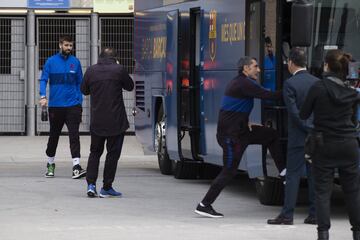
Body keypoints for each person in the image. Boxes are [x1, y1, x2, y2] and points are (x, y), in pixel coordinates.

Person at [195, 56, 286, 218]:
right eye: (255, 67)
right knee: (229, 171)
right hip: (231, 137)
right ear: (245, 69)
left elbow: (235, 108)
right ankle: (204, 204)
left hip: (241, 132)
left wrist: (246, 121)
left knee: (271, 135)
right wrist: (292, 89)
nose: (259, 70)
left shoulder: (242, 83)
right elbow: (269, 96)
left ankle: (284, 172)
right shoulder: (243, 83)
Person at [299, 50, 360, 240]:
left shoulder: (318, 87)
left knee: (322, 192)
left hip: (324, 144)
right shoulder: (352, 92)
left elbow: (303, 114)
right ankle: (357, 232)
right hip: (349, 145)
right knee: (353, 191)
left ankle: (323, 234)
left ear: (327, 65)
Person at [268, 47, 318, 225]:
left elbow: (294, 112)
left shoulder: (290, 84)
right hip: (315, 136)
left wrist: (305, 126)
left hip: (298, 137)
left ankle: (287, 215)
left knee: (293, 175)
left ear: (290, 62)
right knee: (314, 175)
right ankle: (314, 214)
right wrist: (312, 128)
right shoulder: (317, 82)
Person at [81, 47, 134, 198]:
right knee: (112, 154)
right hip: (116, 121)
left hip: (97, 120)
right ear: (115, 58)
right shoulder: (119, 69)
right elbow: (130, 86)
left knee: (95, 152)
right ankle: (107, 187)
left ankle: (91, 185)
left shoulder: (91, 70)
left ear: (100, 57)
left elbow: (84, 90)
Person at [39, 35, 86, 179]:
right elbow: (43, 79)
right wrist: (43, 96)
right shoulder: (51, 61)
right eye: (66, 45)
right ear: (60, 45)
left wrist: (79, 100)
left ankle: (76, 167)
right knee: (54, 136)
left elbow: (81, 83)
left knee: (74, 135)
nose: (68, 48)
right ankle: (50, 164)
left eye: (70, 46)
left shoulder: (75, 62)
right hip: (56, 106)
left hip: (73, 105)